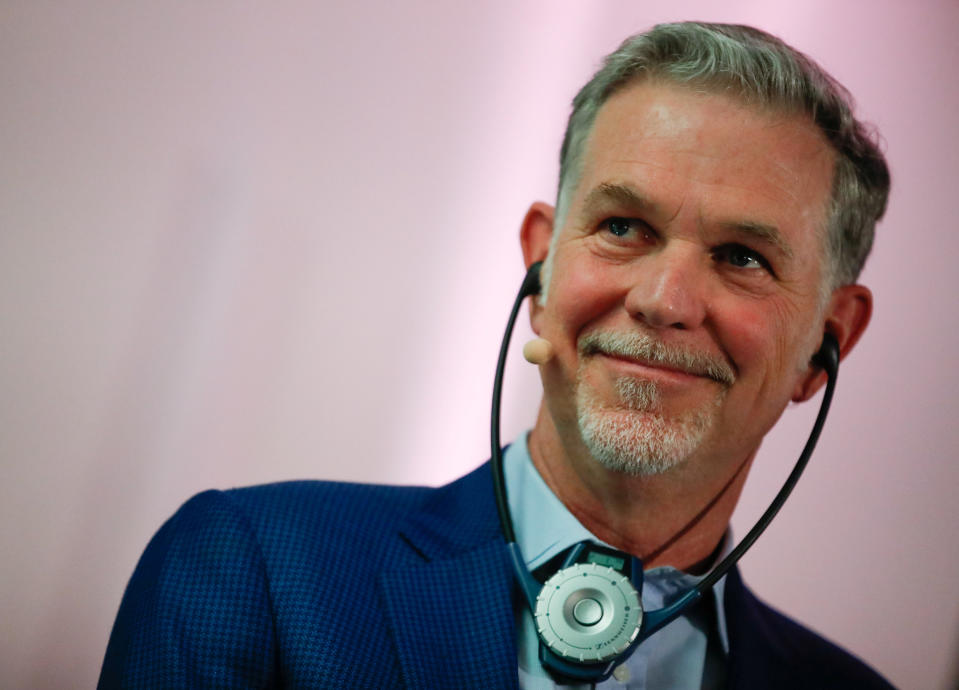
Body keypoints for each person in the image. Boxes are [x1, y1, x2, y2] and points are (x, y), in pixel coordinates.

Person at [99, 22, 894, 689]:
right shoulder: (256, 572)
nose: (665, 300)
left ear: (828, 344)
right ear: (539, 271)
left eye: (741, 257)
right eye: (622, 227)